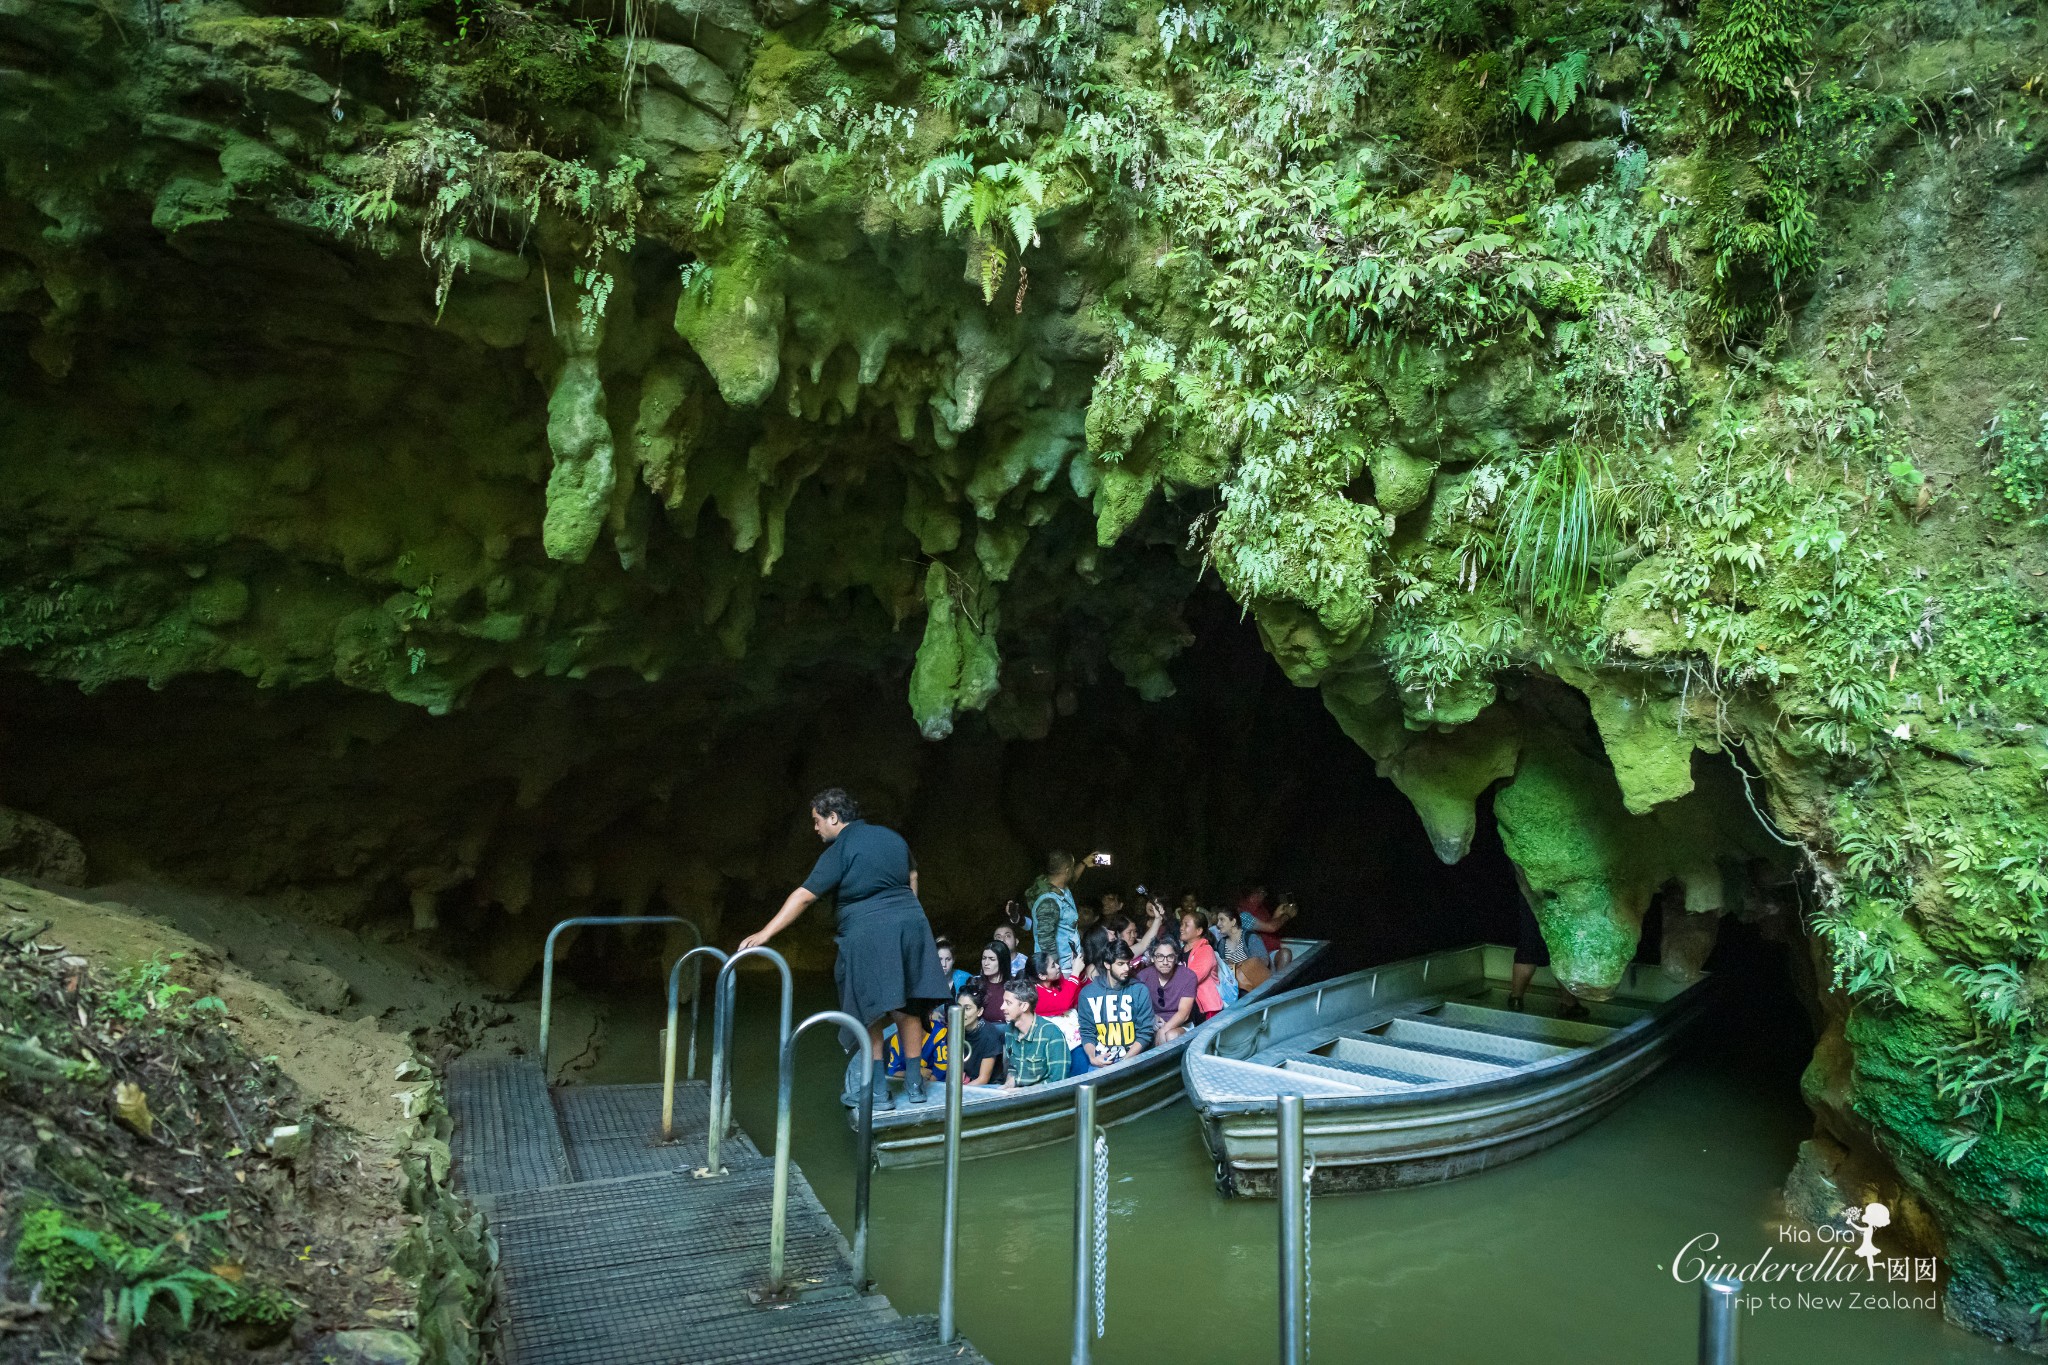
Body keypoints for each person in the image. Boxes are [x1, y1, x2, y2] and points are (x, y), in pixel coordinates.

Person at [739, 788, 951, 1113]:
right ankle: (915, 1086)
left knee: (870, 1010)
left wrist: (765, 932)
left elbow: (805, 895)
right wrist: (907, 912)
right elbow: (912, 874)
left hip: (868, 932)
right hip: (912, 926)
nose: (815, 828)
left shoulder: (842, 848)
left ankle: (878, 1092)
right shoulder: (893, 838)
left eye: (817, 820)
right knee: (908, 1006)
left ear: (834, 817)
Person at [1027, 850, 1108, 971]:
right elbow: (1045, 941)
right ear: (1067, 870)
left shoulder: (1056, 885)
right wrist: (1054, 971)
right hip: (1060, 968)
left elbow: (1071, 879)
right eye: (1072, 867)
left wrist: (1084, 864)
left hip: (1070, 962)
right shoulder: (1048, 902)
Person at [1510, 893, 1588, 1018]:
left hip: (1531, 892)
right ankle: (1568, 1003)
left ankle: (1515, 999)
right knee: (1561, 947)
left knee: (1529, 944)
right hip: (1558, 893)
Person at [1078, 942, 1155, 1068]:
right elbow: (1087, 1032)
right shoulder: (1088, 994)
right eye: (1120, 964)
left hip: (1133, 1058)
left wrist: (1126, 1060)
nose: (1126, 968)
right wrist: (1093, 1058)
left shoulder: (1139, 990)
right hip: (1101, 1059)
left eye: (1128, 963)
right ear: (1107, 964)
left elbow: (1145, 1032)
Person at [1000, 978, 1070, 1089]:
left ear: (1024, 1006)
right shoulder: (1009, 1030)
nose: (1002, 1007)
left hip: (1043, 1099)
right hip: (1017, 1096)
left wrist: (1025, 1092)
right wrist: (1009, 1083)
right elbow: (1013, 1067)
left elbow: (1058, 1080)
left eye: (1008, 1003)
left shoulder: (1052, 1034)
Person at [1033, 950, 1087, 1074]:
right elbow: (1063, 1003)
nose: (1058, 966)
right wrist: (1075, 972)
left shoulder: (1056, 981)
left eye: (1056, 963)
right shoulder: (1035, 994)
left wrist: (1080, 973)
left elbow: (1077, 994)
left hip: (1078, 1041)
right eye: (1053, 965)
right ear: (1042, 976)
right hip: (1059, 1049)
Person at [1137, 939, 1200, 1044]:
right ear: (1152, 958)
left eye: (1170, 957)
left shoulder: (1188, 976)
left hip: (1181, 1025)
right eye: (1160, 957)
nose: (1165, 962)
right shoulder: (1143, 977)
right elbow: (1138, 1008)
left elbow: (1184, 1013)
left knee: (1170, 1035)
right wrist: (1152, 1017)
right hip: (1153, 1023)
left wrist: (1164, 1030)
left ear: (1175, 958)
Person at [1214, 908, 1270, 999]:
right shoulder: (1221, 944)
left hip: (1255, 984)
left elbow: (1263, 961)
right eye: (1218, 920)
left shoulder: (1250, 937)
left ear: (1233, 922)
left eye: (1222, 920)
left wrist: (1239, 966)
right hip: (1234, 987)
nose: (1218, 924)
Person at [953, 987, 1005, 1085]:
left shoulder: (990, 1035)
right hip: (965, 1083)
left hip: (989, 1087)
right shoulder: (954, 1031)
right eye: (959, 1007)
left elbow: (983, 1079)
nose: (961, 1013)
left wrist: (960, 1093)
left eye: (967, 1008)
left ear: (979, 1011)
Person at [1180, 909, 1224, 1019]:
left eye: (1186, 925)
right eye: (1181, 924)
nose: (1181, 928)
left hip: (1206, 1009)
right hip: (1188, 1005)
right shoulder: (1180, 951)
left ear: (1198, 931)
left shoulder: (1206, 950)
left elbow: (1193, 978)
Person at [1239, 886, 1297, 970]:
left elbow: (1269, 924)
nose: (1264, 896)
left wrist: (1278, 914)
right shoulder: (1243, 915)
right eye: (1262, 893)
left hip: (1269, 952)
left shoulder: (1261, 908)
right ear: (1252, 895)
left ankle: (1279, 981)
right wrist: (1287, 915)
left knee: (1285, 954)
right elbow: (1271, 927)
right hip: (1255, 956)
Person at [975, 940, 1012, 1022]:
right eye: (984, 958)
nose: (986, 963)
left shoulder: (1014, 985)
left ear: (1002, 962)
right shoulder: (975, 984)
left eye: (992, 959)